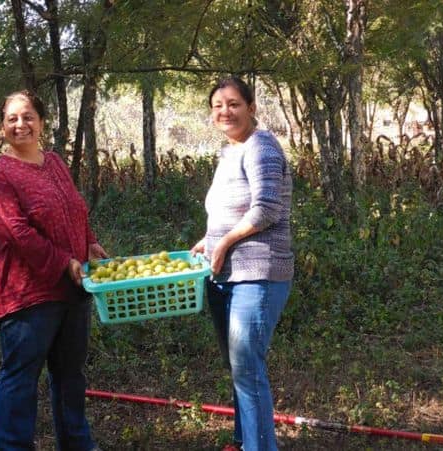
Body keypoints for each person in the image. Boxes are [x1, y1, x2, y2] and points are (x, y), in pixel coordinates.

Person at [0, 90, 107, 451]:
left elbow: (73, 208)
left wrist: (89, 243)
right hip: (28, 295)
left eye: (28, 116)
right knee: (21, 379)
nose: (21, 125)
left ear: (41, 121)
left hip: (72, 289)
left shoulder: (53, 162)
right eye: (12, 119)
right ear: (2, 125)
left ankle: (77, 444)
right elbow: (17, 233)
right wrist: (63, 261)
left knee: (70, 377)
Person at [190, 77, 294, 451]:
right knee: (238, 365)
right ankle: (243, 440)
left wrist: (226, 243)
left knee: (247, 365)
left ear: (251, 108)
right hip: (225, 273)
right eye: (218, 105)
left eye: (233, 104)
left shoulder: (260, 146)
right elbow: (229, 211)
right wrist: (211, 241)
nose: (225, 111)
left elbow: (266, 209)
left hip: (257, 272)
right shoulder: (230, 151)